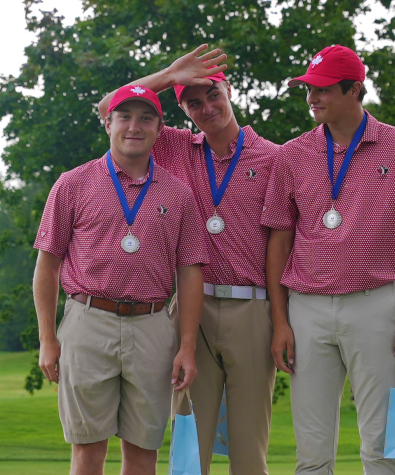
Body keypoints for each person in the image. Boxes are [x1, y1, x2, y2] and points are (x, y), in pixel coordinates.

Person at [261, 45, 395, 475]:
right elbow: (278, 244)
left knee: (381, 448)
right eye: (307, 89)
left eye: (321, 89)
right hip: (306, 309)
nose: (311, 98)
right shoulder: (291, 155)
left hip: (376, 305)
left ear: (354, 89)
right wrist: (281, 321)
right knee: (312, 452)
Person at [98, 45, 279, 475]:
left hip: (253, 309)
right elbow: (111, 107)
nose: (206, 107)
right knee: (187, 449)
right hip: (190, 313)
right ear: (182, 110)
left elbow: (282, 245)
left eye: (212, 95)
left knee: (248, 447)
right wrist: (169, 74)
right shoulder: (176, 148)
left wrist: (282, 318)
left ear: (228, 90)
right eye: (192, 102)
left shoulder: (275, 158)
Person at [34, 85, 208, 475]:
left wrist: (187, 346)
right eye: (125, 116)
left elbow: (190, 272)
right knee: (88, 450)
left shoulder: (179, 194)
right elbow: (47, 267)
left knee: (144, 450)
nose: (135, 126)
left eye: (146, 117)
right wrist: (47, 339)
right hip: (87, 322)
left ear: (160, 128)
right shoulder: (72, 184)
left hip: (152, 326)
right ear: (108, 123)